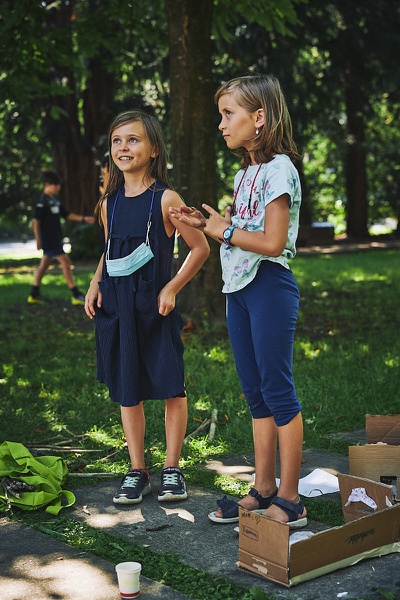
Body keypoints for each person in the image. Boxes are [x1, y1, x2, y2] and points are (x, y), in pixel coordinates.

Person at [169, 74, 307, 528]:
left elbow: (272, 242)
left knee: (278, 391)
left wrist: (224, 230)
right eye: (221, 115)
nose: (222, 124)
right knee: (255, 393)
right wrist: (209, 224)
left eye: (229, 114)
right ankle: (263, 487)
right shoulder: (244, 173)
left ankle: (291, 499)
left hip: (269, 285)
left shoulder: (280, 169)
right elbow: (242, 231)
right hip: (239, 290)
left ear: (260, 118)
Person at [84, 110, 209, 505]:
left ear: (154, 149)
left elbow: (200, 248)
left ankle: (172, 469)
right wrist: (95, 282)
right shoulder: (108, 203)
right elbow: (109, 249)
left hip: (156, 310)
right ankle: (137, 470)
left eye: (133, 140)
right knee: (128, 390)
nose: (123, 147)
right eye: (117, 140)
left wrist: (172, 287)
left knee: (172, 386)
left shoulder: (166, 199)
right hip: (118, 309)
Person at [28, 170, 95, 305]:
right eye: (56, 185)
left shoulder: (54, 200)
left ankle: (34, 293)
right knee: (66, 263)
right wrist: (38, 240)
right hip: (49, 239)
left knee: (44, 265)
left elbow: (66, 215)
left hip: (55, 237)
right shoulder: (42, 201)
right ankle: (75, 294)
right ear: (47, 184)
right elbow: (36, 222)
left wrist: (84, 219)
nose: (58, 187)